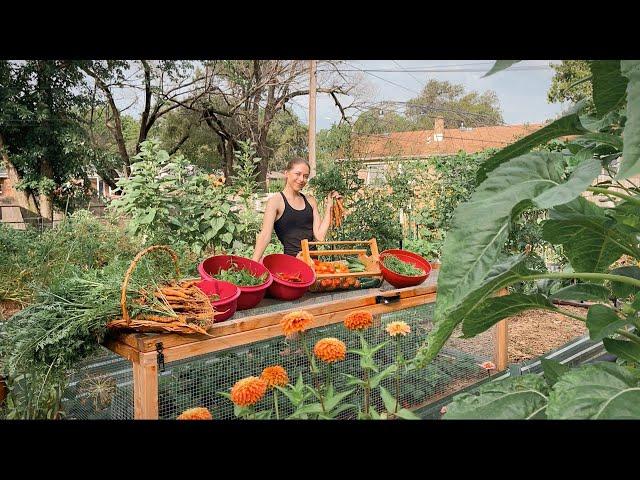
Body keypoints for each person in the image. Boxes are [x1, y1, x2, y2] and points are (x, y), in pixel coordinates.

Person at [252, 157, 341, 261]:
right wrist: (254, 263)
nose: (301, 179)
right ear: (286, 173)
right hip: (292, 263)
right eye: (297, 174)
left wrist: (329, 205)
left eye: (305, 176)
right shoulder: (276, 202)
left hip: (314, 262)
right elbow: (265, 235)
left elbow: (320, 236)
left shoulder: (310, 201)